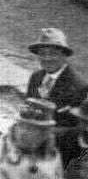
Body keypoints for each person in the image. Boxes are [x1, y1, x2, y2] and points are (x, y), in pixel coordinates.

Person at [26, 27, 88, 166]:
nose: (47, 58)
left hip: (59, 153)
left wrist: (47, 133)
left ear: (64, 55)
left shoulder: (79, 85)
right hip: (29, 144)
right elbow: (27, 108)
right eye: (42, 53)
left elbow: (81, 129)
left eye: (53, 53)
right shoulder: (36, 77)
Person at [0, 98, 63, 179]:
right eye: (21, 125)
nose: (23, 132)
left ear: (44, 133)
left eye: (31, 128)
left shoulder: (52, 154)